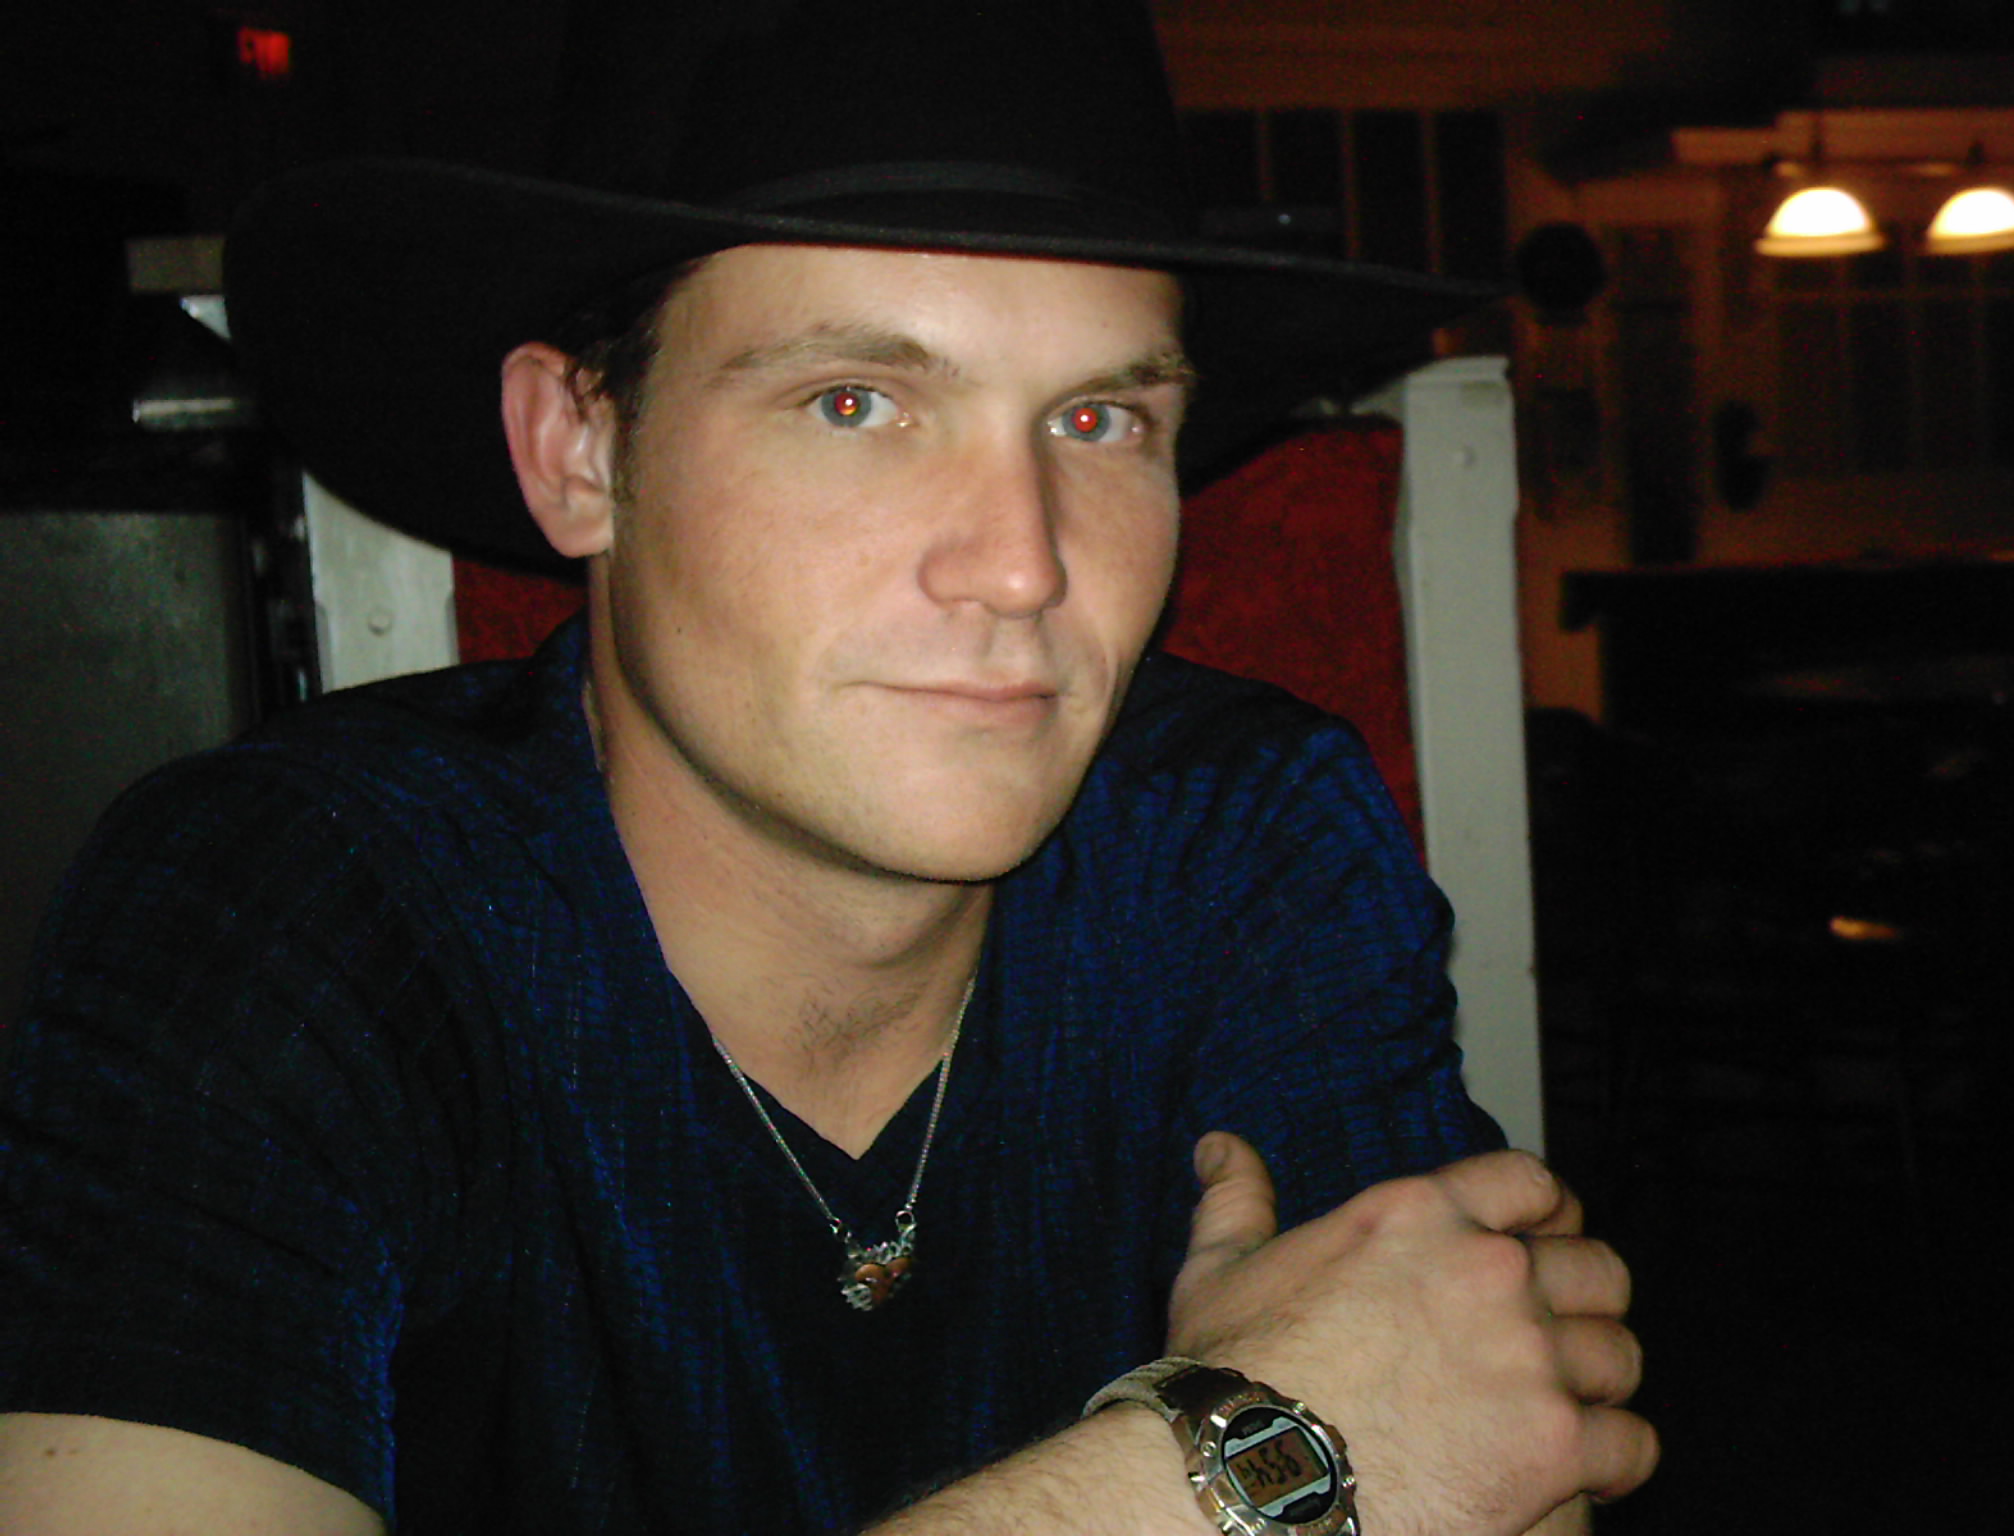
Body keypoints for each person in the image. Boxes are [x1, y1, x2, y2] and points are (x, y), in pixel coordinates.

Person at [0, 3, 1656, 1533]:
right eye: (855, 403)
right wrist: (1225, 1470)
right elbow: (1382, 1455)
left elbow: (1491, 1450)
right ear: (581, 449)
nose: (1022, 565)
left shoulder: (1242, 834)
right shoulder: (289, 906)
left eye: (1097, 422)